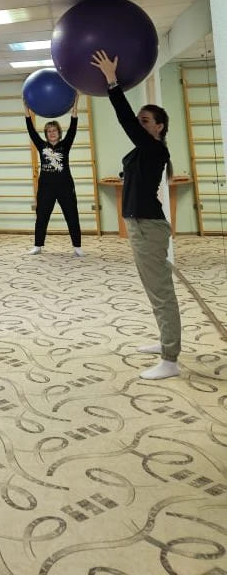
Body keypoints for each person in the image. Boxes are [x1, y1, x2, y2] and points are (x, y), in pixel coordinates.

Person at [91, 49, 181, 380]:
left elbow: (126, 120)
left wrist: (112, 82)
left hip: (148, 227)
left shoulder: (154, 148)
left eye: (146, 121)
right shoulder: (147, 151)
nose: (140, 124)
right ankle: (165, 341)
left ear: (159, 127)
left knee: (161, 292)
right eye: (140, 120)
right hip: (140, 225)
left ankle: (170, 359)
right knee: (154, 288)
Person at [24, 95, 83, 256]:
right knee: (42, 216)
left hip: (65, 187)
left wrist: (75, 105)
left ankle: (77, 246)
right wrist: (26, 110)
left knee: (72, 216)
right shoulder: (41, 145)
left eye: (54, 130)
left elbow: (73, 127)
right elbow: (31, 130)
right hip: (46, 188)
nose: (52, 133)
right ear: (46, 134)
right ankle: (38, 245)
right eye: (49, 131)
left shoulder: (65, 144)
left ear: (59, 132)